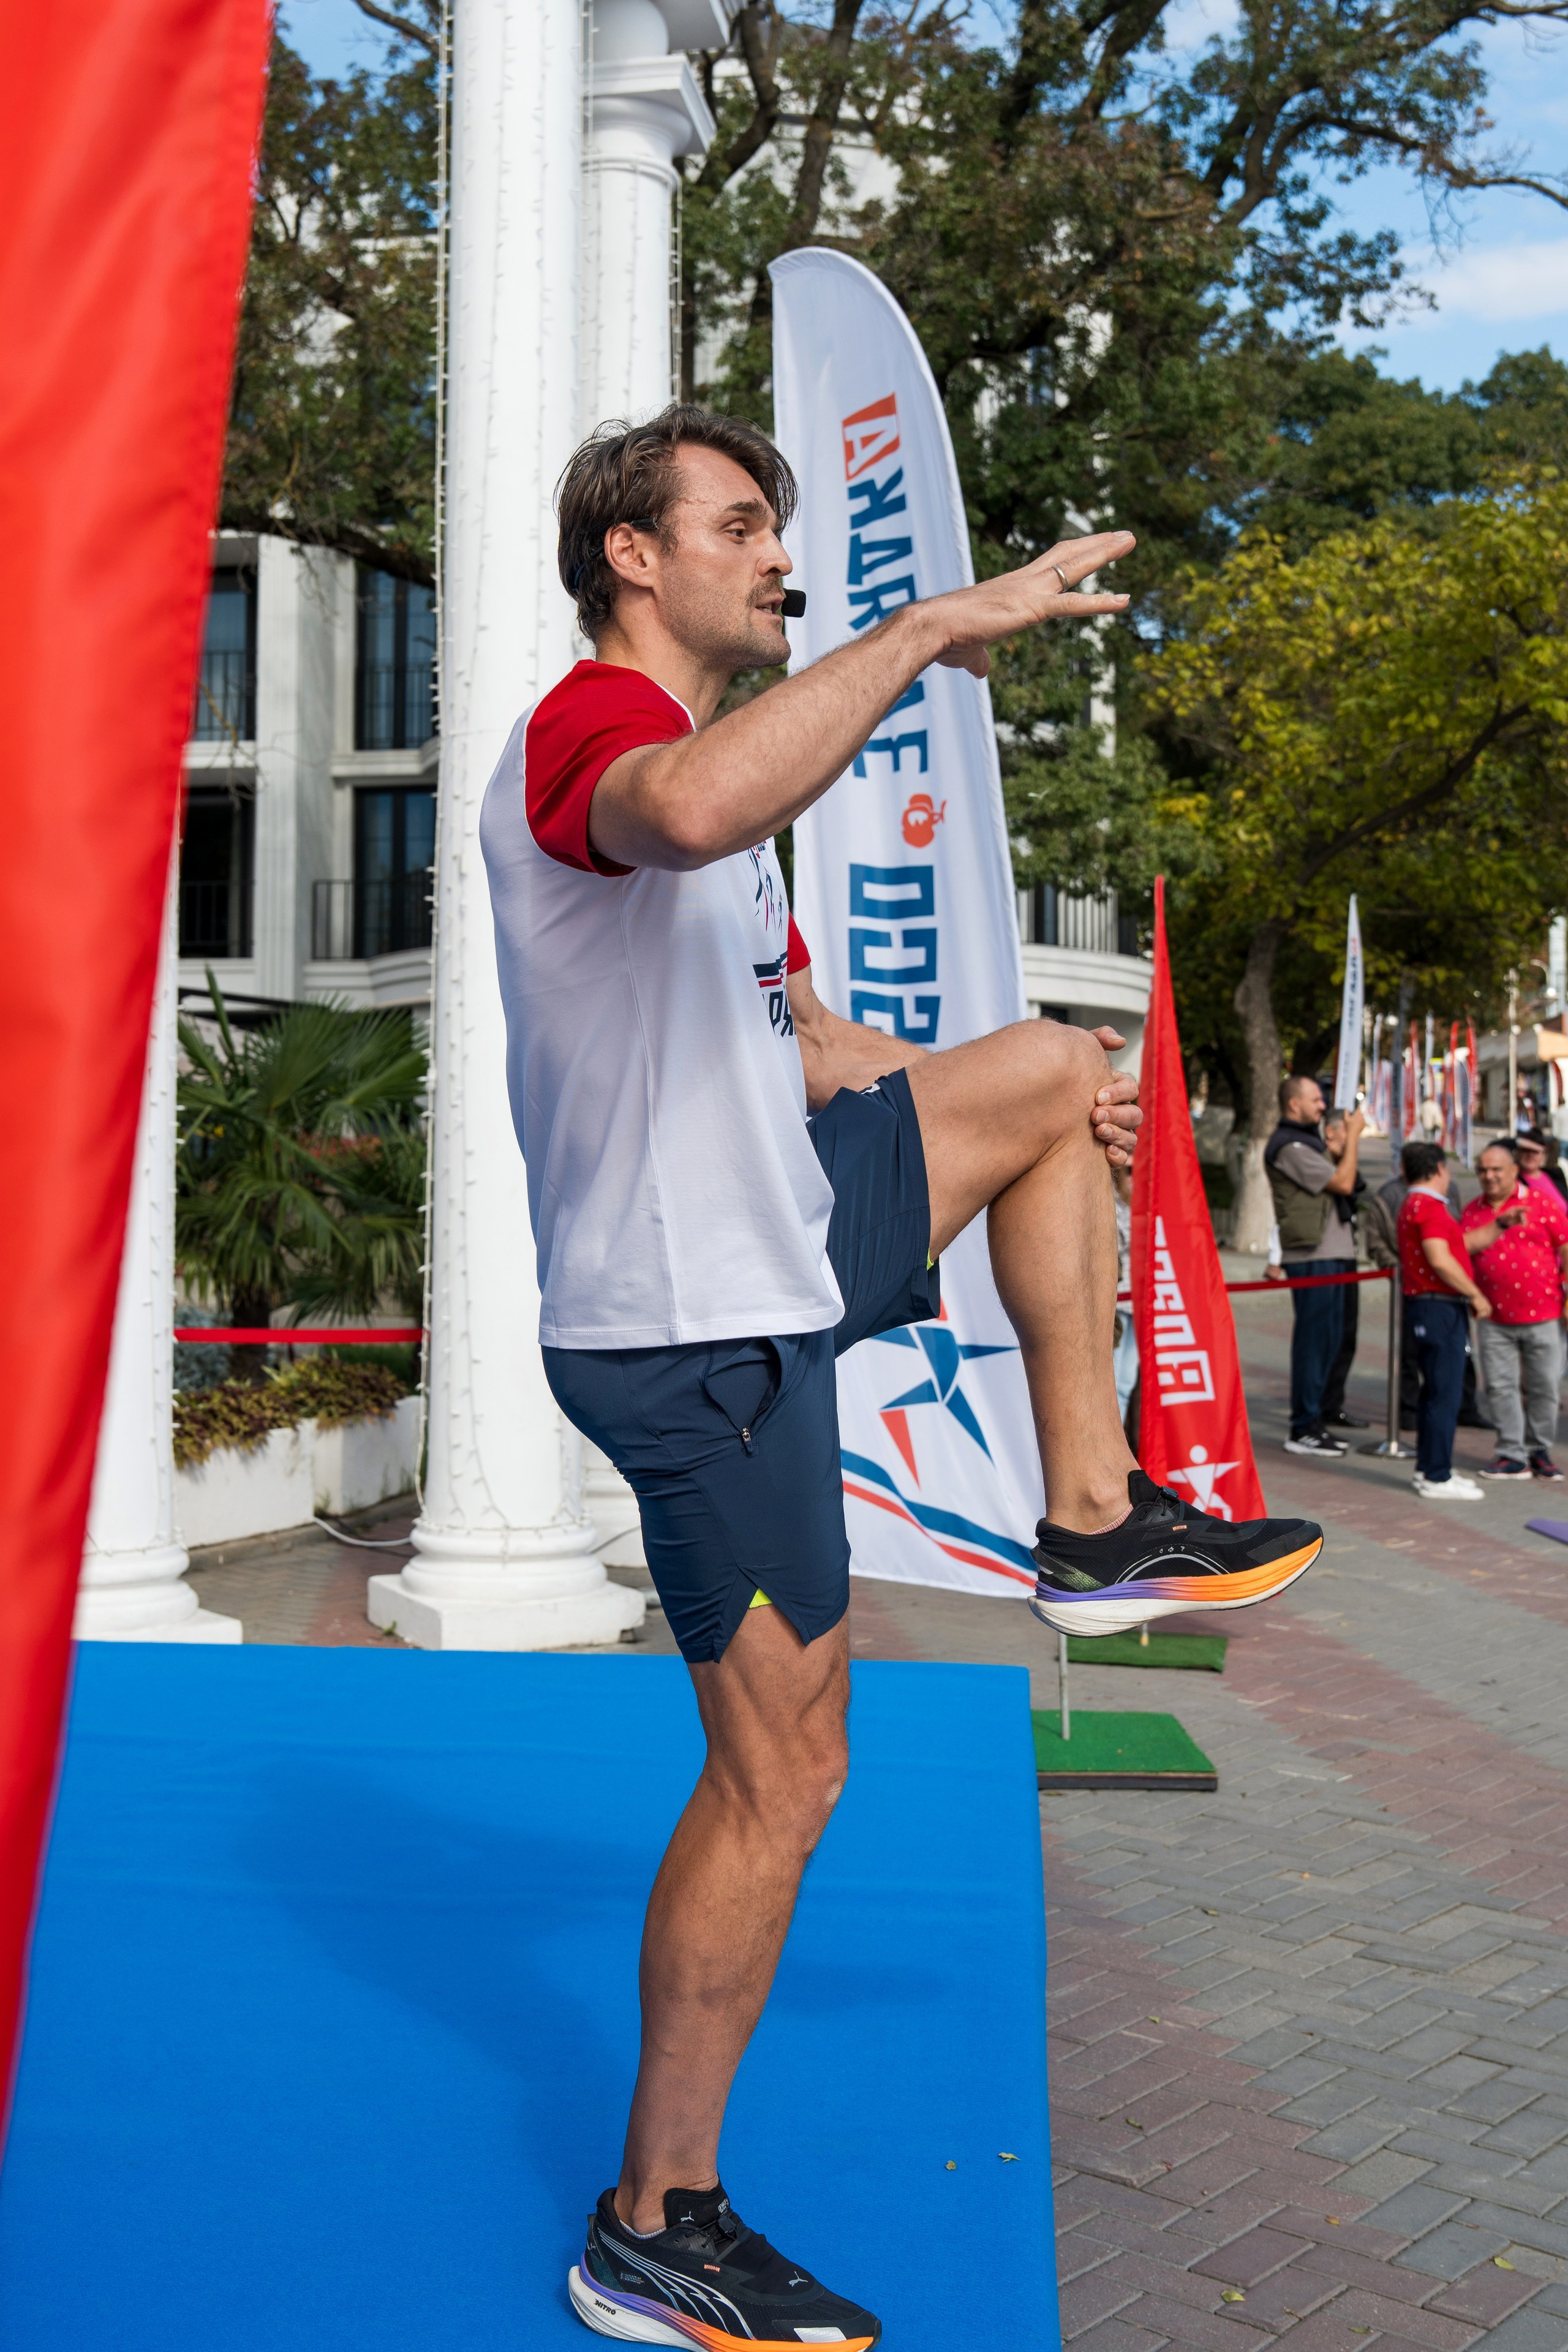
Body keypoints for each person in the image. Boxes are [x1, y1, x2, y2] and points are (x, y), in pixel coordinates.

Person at [481, 404, 1326, 2350]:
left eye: (781, 527)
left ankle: (1093, 1523)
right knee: (784, 1775)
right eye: (741, 525)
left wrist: (1034, 1124)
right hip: (689, 1330)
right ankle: (653, 2222)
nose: (780, 556)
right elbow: (688, 808)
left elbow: (797, 1040)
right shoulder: (594, 733)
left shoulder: (727, 817)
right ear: (634, 557)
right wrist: (934, 629)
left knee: (1043, 1066)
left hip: (777, 1237)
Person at [1265, 1073, 1366, 1457]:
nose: (1323, 1105)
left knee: (1333, 1339)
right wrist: (1353, 1137)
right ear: (1294, 1104)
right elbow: (1343, 1184)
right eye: (1316, 1100)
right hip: (1312, 1254)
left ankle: (1319, 1418)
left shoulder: (1308, 1141)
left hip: (1333, 1252)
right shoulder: (1289, 1145)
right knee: (1314, 1342)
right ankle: (1303, 1427)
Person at [1461, 1138, 1568, 1480]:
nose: (1489, 1176)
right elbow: (1463, 1253)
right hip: (1493, 1317)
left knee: (1545, 1386)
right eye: (1482, 1170)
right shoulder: (1473, 1211)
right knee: (1500, 1387)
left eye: (1496, 1169)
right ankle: (1511, 1453)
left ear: (1514, 1171)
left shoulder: (1541, 1204)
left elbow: (1566, 1246)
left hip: (1544, 1314)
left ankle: (1539, 1450)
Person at [1397, 1140, 1491, 1501]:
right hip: (1439, 1306)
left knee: (1435, 1390)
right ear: (1439, 1169)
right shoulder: (1430, 1207)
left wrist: (1500, 1224)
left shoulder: (1415, 1204)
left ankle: (1431, 1468)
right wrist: (1474, 1293)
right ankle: (1437, 1474)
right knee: (1444, 1392)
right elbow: (1440, 1258)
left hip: (1428, 1306)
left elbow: (1458, 1246)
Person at [1317, 1108, 1371, 1429]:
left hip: (1346, 1253)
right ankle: (1316, 1406)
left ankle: (1333, 1402)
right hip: (1324, 1257)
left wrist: (1349, 1149)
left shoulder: (1342, 1158)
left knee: (1347, 1334)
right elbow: (1345, 1185)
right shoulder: (1319, 1158)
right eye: (1347, 1131)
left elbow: (1358, 1186)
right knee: (1326, 1335)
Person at [1518, 1126, 1568, 1209]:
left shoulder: (1555, 1174)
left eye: (1535, 1152)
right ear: (1518, 1152)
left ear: (1543, 1153)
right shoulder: (1516, 1181)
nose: (1530, 1155)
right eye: (1526, 1150)